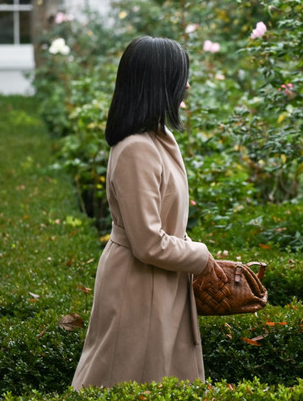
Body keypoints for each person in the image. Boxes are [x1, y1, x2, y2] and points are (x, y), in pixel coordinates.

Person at [72, 36, 226, 390]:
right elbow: (147, 242)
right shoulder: (137, 150)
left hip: (160, 281)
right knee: (126, 378)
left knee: (156, 380)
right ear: (159, 82)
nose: (186, 85)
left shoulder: (157, 138)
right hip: (138, 286)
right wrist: (201, 256)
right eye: (180, 76)